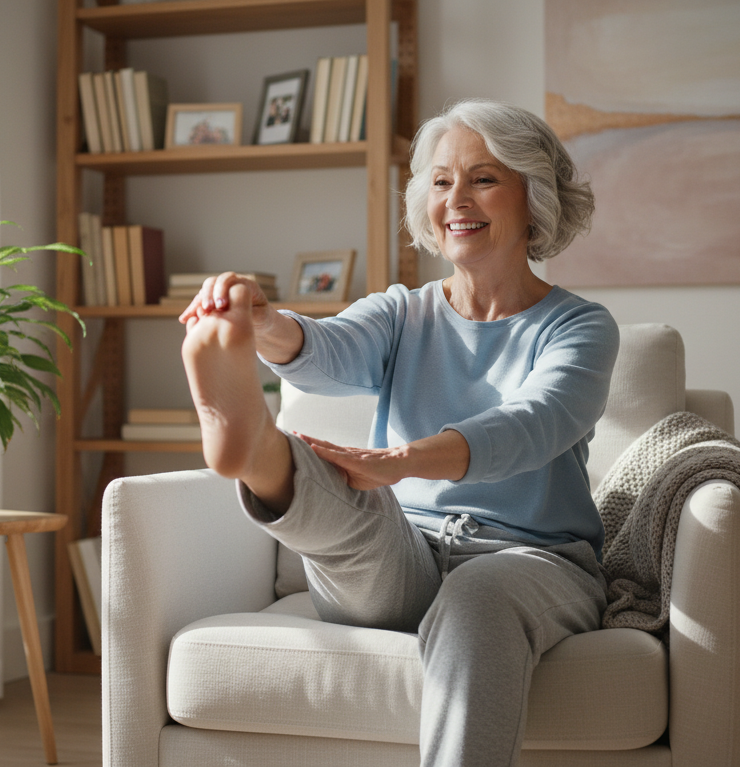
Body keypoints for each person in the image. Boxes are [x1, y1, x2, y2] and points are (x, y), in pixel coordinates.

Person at [177, 99, 618, 767]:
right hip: (405, 553)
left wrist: (404, 460)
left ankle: (260, 449)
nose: (456, 199)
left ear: (535, 197)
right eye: (441, 181)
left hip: (532, 561)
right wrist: (263, 324)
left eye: (483, 179)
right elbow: (328, 349)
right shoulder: (401, 313)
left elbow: (533, 422)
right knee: (351, 512)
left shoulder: (578, 327)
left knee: (477, 596)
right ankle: (257, 447)